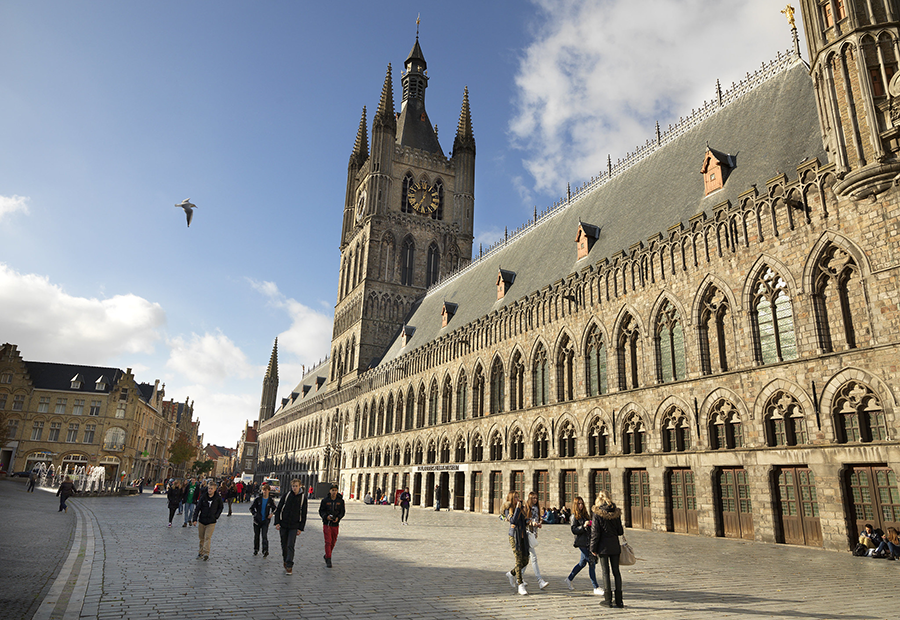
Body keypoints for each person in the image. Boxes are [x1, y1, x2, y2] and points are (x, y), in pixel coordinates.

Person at [591, 490, 625, 608]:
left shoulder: (597, 513)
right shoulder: (616, 513)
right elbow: (620, 531)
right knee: (616, 572)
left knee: (606, 573)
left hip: (603, 547)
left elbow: (595, 533)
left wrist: (593, 548)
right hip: (614, 546)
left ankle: (608, 600)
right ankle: (619, 600)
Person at [564, 496, 601, 595]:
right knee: (591, 562)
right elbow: (574, 530)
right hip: (581, 542)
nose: (580, 505)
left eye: (582, 503)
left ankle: (569, 579)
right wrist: (583, 526)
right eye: (579, 504)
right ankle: (596, 587)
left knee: (582, 563)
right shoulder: (574, 516)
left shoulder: (585, 514)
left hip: (588, 541)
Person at [274, 479, 308, 575]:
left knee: (290, 544)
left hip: (294, 525)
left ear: (300, 486)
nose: (294, 488)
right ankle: (285, 559)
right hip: (284, 524)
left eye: (296, 486)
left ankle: (289, 565)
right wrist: (277, 522)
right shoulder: (286, 495)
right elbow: (279, 509)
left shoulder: (303, 498)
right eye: (293, 486)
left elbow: (304, 514)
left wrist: (300, 528)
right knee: (284, 544)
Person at [502, 491, 529, 595]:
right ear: (511, 499)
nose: (518, 499)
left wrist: (531, 522)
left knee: (525, 560)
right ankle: (520, 585)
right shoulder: (508, 510)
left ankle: (511, 573)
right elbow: (513, 521)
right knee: (518, 560)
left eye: (518, 497)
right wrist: (517, 508)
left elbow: (523, 521)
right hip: (514, 536)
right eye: (516, 498)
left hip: (523, 536)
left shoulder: (520, 509)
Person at [192, 480, 224, 561]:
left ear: (215, 489)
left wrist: (216, 516)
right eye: (209, 488)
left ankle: (206, 553)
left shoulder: (217, 498)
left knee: (207, 537)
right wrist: (194, 519)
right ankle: (201, 552)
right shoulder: (203, 497)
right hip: (202, 520)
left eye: (211, 489)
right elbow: (197, 508)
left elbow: (220, 508)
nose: (209, 490)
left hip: (211, 521)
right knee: (201, 538)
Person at [524, 491, 549, 589]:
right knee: (533, 558)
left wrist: (537, 526)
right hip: (527, 534)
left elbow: (536, 520)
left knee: (526, 558)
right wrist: (532, 523)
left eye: (536, 498)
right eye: (533, 498)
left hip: (532, 534)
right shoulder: (526, 507)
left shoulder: (537, 508)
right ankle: (540, 581)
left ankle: (516, 576)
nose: (535, 500)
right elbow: (525, 520)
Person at [319, 484, 346, 567]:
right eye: (332, 490)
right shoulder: (325, 500)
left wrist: (338, 518)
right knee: (328, 541)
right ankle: (329, 559)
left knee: (333, 541)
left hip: (335, 524)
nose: (334, 492)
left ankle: (327, 554)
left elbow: (342, 512)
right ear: (330, 491)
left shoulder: (340, 501)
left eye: (335, 490)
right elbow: (321, 511)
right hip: (327, 524)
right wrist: (326, 517)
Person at [249, 483, 277, 557]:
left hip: (265, 520)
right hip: (257, 521)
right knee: (257, 535)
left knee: (264, 535)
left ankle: (265, 550)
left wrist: (271, 514)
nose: (265, 492)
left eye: (266, 490)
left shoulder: (270, 500)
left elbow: (275, 508)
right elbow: (251, 508)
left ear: (269, 491)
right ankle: (256, 549)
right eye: (264, 490)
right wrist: (255, 514)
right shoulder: (258, 499)